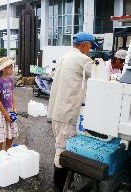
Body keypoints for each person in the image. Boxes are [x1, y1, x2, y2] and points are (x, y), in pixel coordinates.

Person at [47, 32, 97, 192]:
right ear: (83, 45)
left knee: (61, 147)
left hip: (56, 110)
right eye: (90, 46)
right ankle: (58, 188)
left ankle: (66, 183)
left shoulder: (65, 56)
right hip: (67, 113)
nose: (90, 50)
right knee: (62, 151)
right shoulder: (83, 59)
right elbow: (101, 79)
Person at [0, 57, 18, 151]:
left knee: (11, 131)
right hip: (0, 111)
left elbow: (12, 94)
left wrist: (14, 107)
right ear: (4, 68)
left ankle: (7, 149)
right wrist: (5, 114)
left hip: (9, 109)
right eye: (11, 67)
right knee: (0, 132)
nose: (12, 69)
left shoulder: (10, 80)